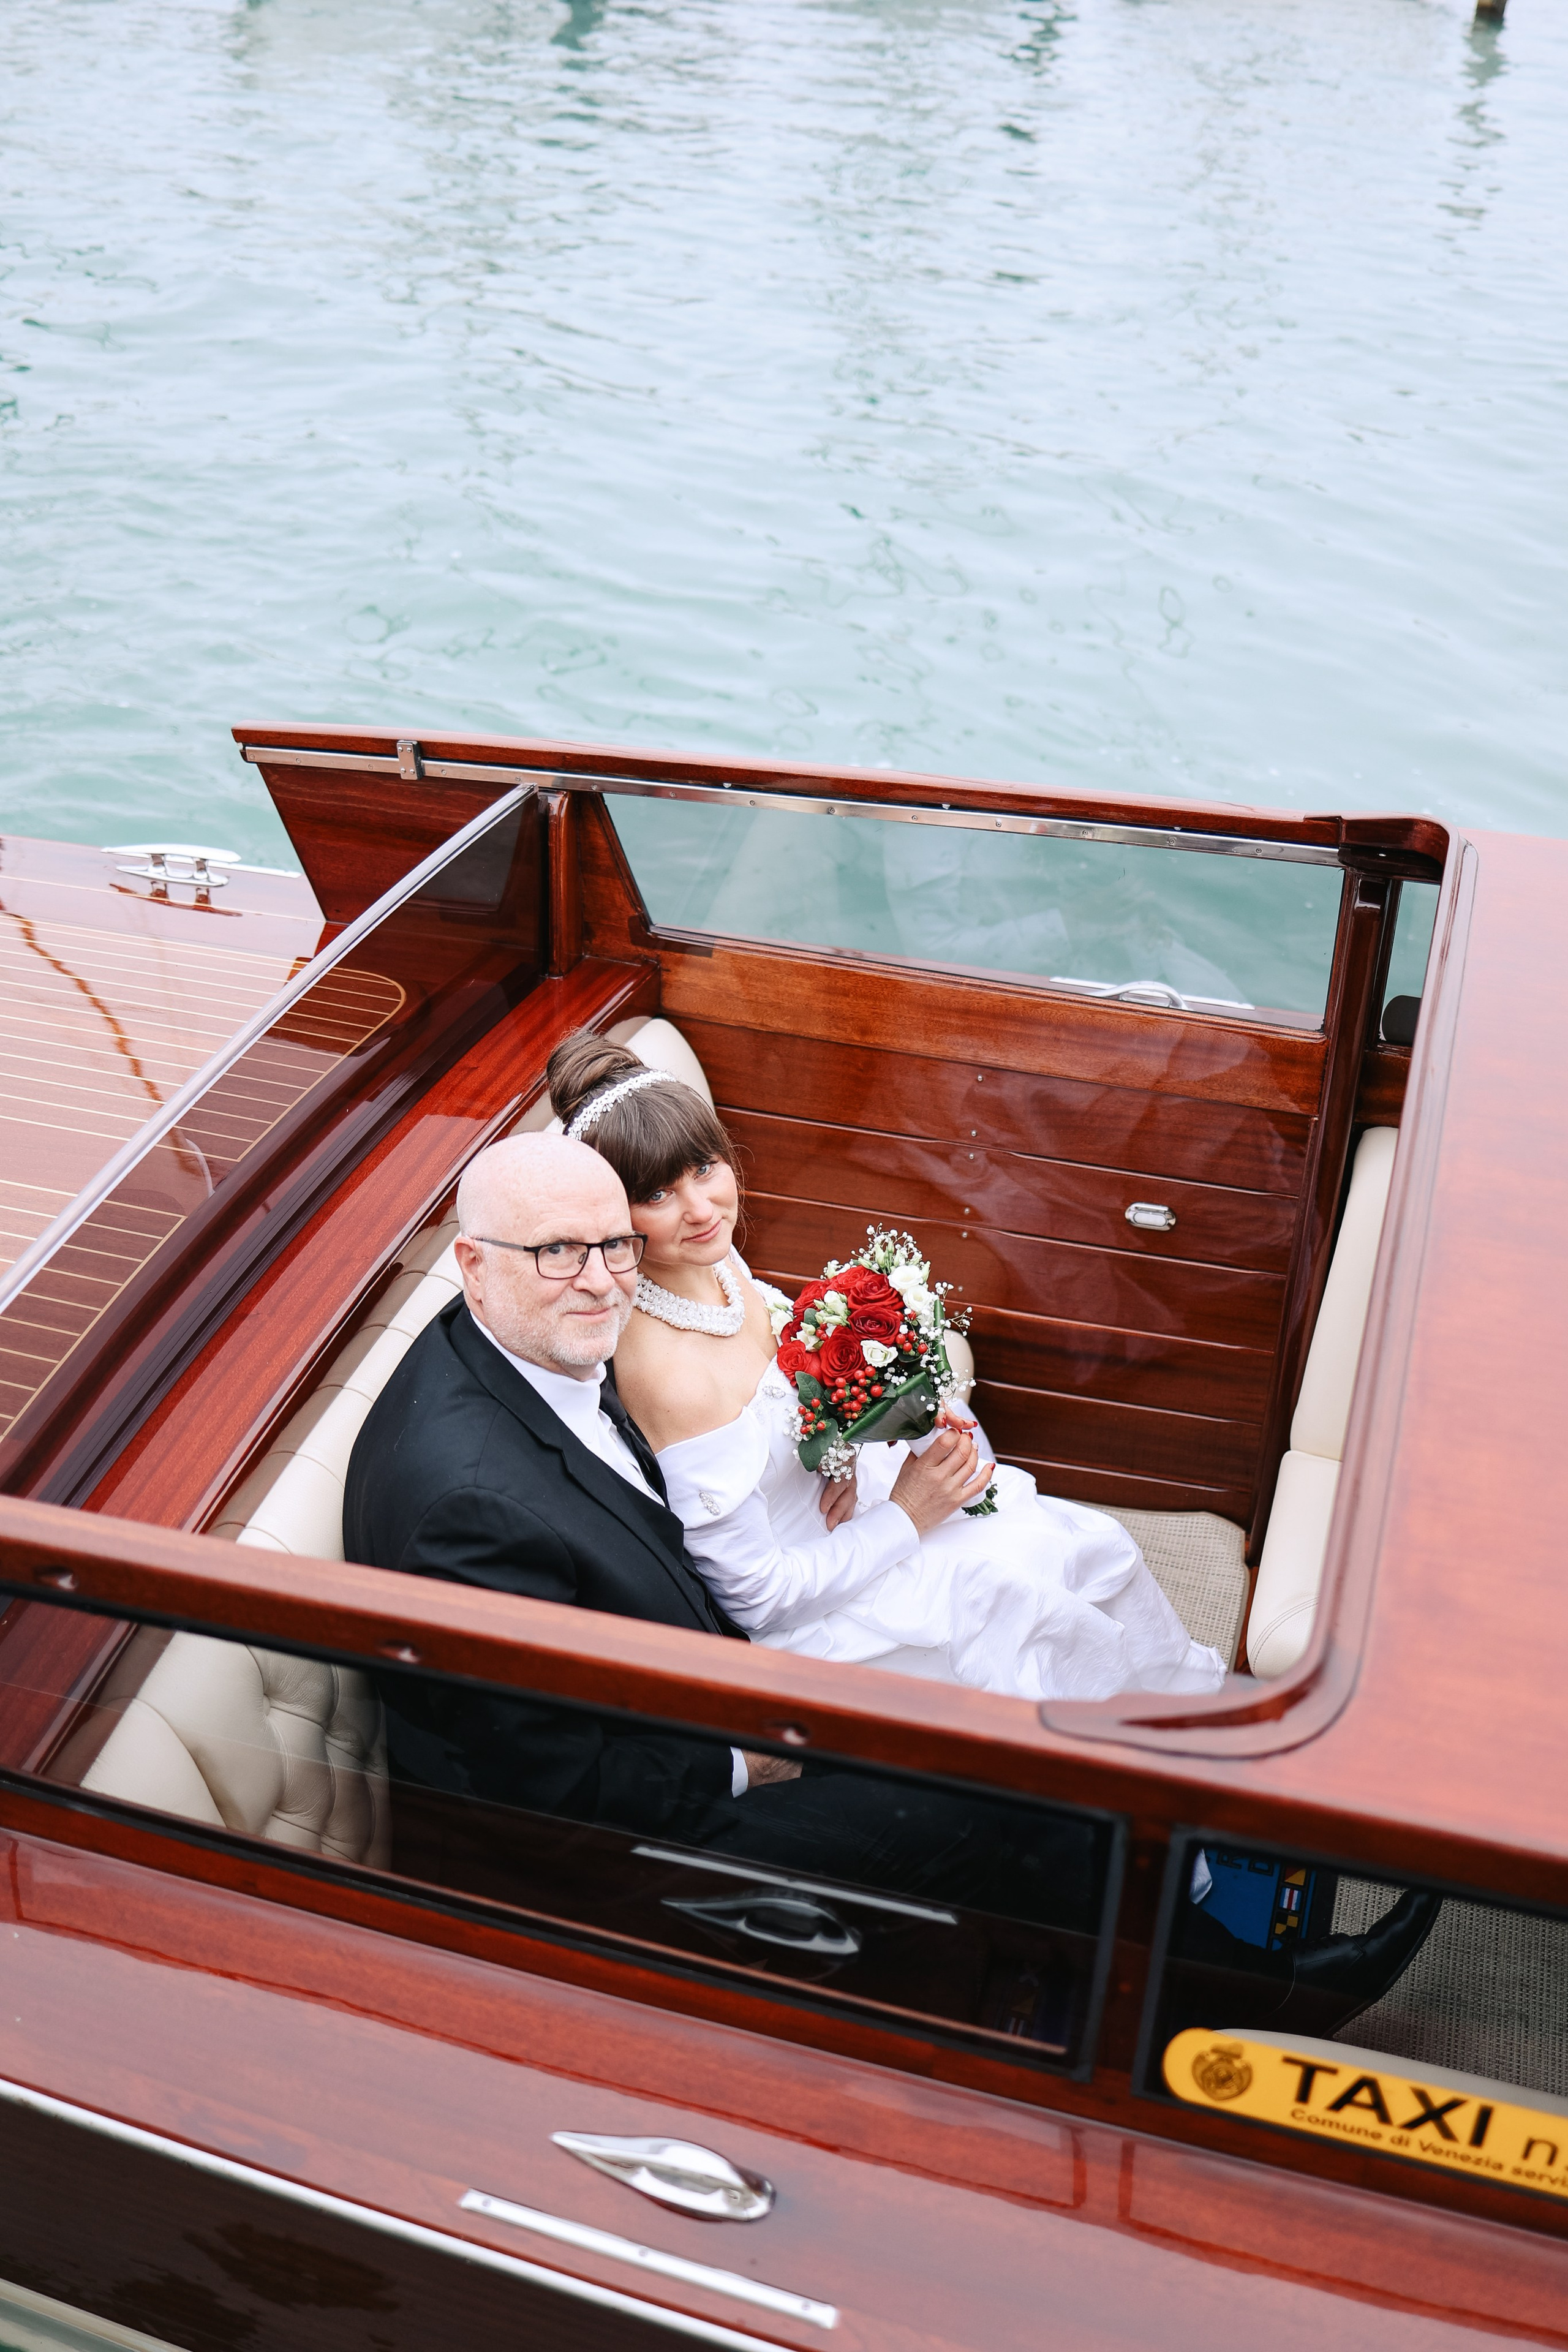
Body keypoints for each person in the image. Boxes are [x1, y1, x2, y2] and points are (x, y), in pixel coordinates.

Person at [342, 1120, 1437, 2031]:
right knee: (987, 1786)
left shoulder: (548, 1339)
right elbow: (550, 1798)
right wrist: (750, 1756)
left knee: (1021, 1714)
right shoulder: (468, 1507)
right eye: (557, 1254)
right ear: (472, 1259)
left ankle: (1162, 1950)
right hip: (627, 1852)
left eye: (612, 1247)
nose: (599, 1282)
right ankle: (1233, 2008)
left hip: (696, 1695)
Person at [547, 1033, 1226, 1704]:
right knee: (1029, 1597)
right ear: (612, 1216)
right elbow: (757, 1602)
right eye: (658, 1196)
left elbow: (777, 1387)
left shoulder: (707, 1259)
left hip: (842, 1506)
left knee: (1092, 1544)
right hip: (818, 1608)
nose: (700, 1208)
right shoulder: (671, 1377)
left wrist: (840, 1452)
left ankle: (1180, 1723)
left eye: (702, 1169)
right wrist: (908, 1512)